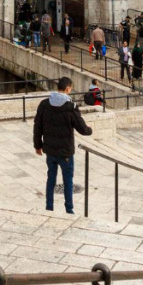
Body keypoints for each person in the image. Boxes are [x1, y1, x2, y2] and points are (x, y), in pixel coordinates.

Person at [33, 77, 93, 214]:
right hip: (65, 152)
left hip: (50, 150)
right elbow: (82, 129)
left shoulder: (44, 104)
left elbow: (38, 126)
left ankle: (49, 207)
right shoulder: (71, 107)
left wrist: (38, 145)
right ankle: (69, 210)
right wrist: (90, 130)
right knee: (68, 181)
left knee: (51, 179)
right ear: (67, 89)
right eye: (70, 89)